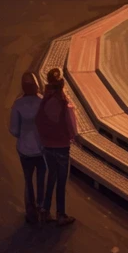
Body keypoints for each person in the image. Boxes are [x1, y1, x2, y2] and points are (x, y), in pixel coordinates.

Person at [36, 67, 77, 226]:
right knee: (61, 181)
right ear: (62, 84)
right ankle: (60, 214)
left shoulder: (44, 100)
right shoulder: (63, 102)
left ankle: (45, 210)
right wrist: (72, 137)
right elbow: (71, 126)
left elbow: (39, 121)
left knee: (50, 177)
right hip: (61, 146)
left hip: (47, 145)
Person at [9, 72, 46, 224]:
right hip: (42, 148)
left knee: (28, 180)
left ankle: (30, 210)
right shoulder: (43, 102)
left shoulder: (18, 104)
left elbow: (14, 129)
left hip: (24, 149)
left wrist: (23, 136)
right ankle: (41, 207)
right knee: (41, 178)